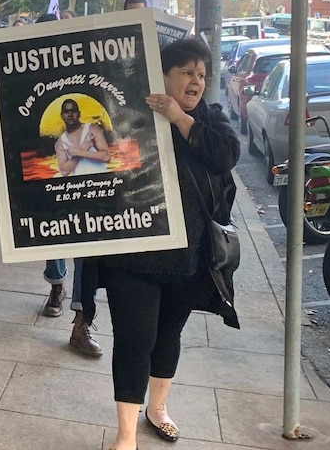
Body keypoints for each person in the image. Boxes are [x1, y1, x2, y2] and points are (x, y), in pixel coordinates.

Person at [82, 38, 240, 450]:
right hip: (130, 256)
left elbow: (226, 155)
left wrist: (179, 119)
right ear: (163, 76)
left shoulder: (210, 118)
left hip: (188, 257)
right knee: (134, 341)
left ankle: (158, 409)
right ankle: (126, 435)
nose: (196, 81)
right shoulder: (127, 115)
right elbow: (80, 163)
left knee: (168, 335)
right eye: (186, 72)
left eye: (201, 75)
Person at [55, 98, 111, 177]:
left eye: (73, 111)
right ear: (62, 116)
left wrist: (79, 152)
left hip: (101, 181)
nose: (70, 114)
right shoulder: (61, 142)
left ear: (79, 114)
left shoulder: (92, 129)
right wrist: (81, 151)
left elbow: (107, 157)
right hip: (80, 185)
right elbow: (64, 171)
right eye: (66, 112)